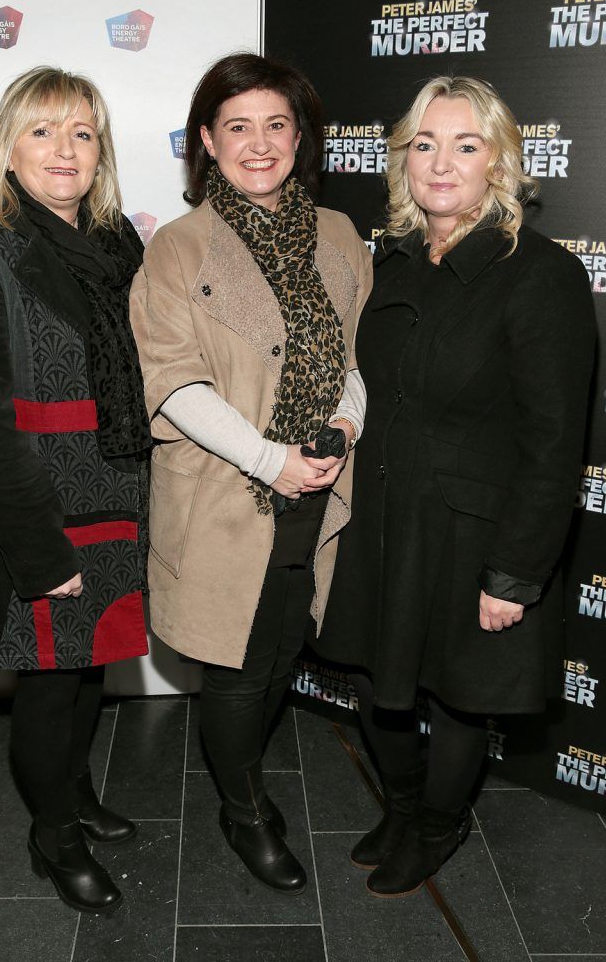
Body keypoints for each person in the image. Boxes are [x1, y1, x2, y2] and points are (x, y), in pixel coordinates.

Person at [320, 75, 596, 897]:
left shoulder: (538, 275)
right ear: (402, 160)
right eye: (424, 145)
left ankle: (440, 822)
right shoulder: (391, 262)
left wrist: (516, 571)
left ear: (500, 163)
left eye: (465, 146)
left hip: (474, 527)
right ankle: (405, 805)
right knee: (374, 680)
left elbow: (555, 443)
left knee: (461, 696)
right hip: (383, 516)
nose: (441, 164)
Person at [130, 52, 372, 894]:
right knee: (234, 670)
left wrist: (346, 421)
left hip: (320, 489)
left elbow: (354, 353)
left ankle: (241, 780)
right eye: (238, 126)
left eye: (277, 124)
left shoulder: (340, 233)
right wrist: (274, 460)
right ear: (207, 140)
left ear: (299, 136)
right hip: (229, 495)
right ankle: (244, 810)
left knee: (281, 647)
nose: (259, 143)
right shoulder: (178, 245)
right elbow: (173, 380)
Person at [0, 66, 152, 914]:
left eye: (83, 133)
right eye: (43, 131)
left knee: (93, 665)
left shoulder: (118, 244)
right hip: (42, 512)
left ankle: (76, 796)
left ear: (101, 153)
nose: (65, 151)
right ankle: (49, 835)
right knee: (51, 685)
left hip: (120, 499)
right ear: (8, 149)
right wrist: (36, 548)